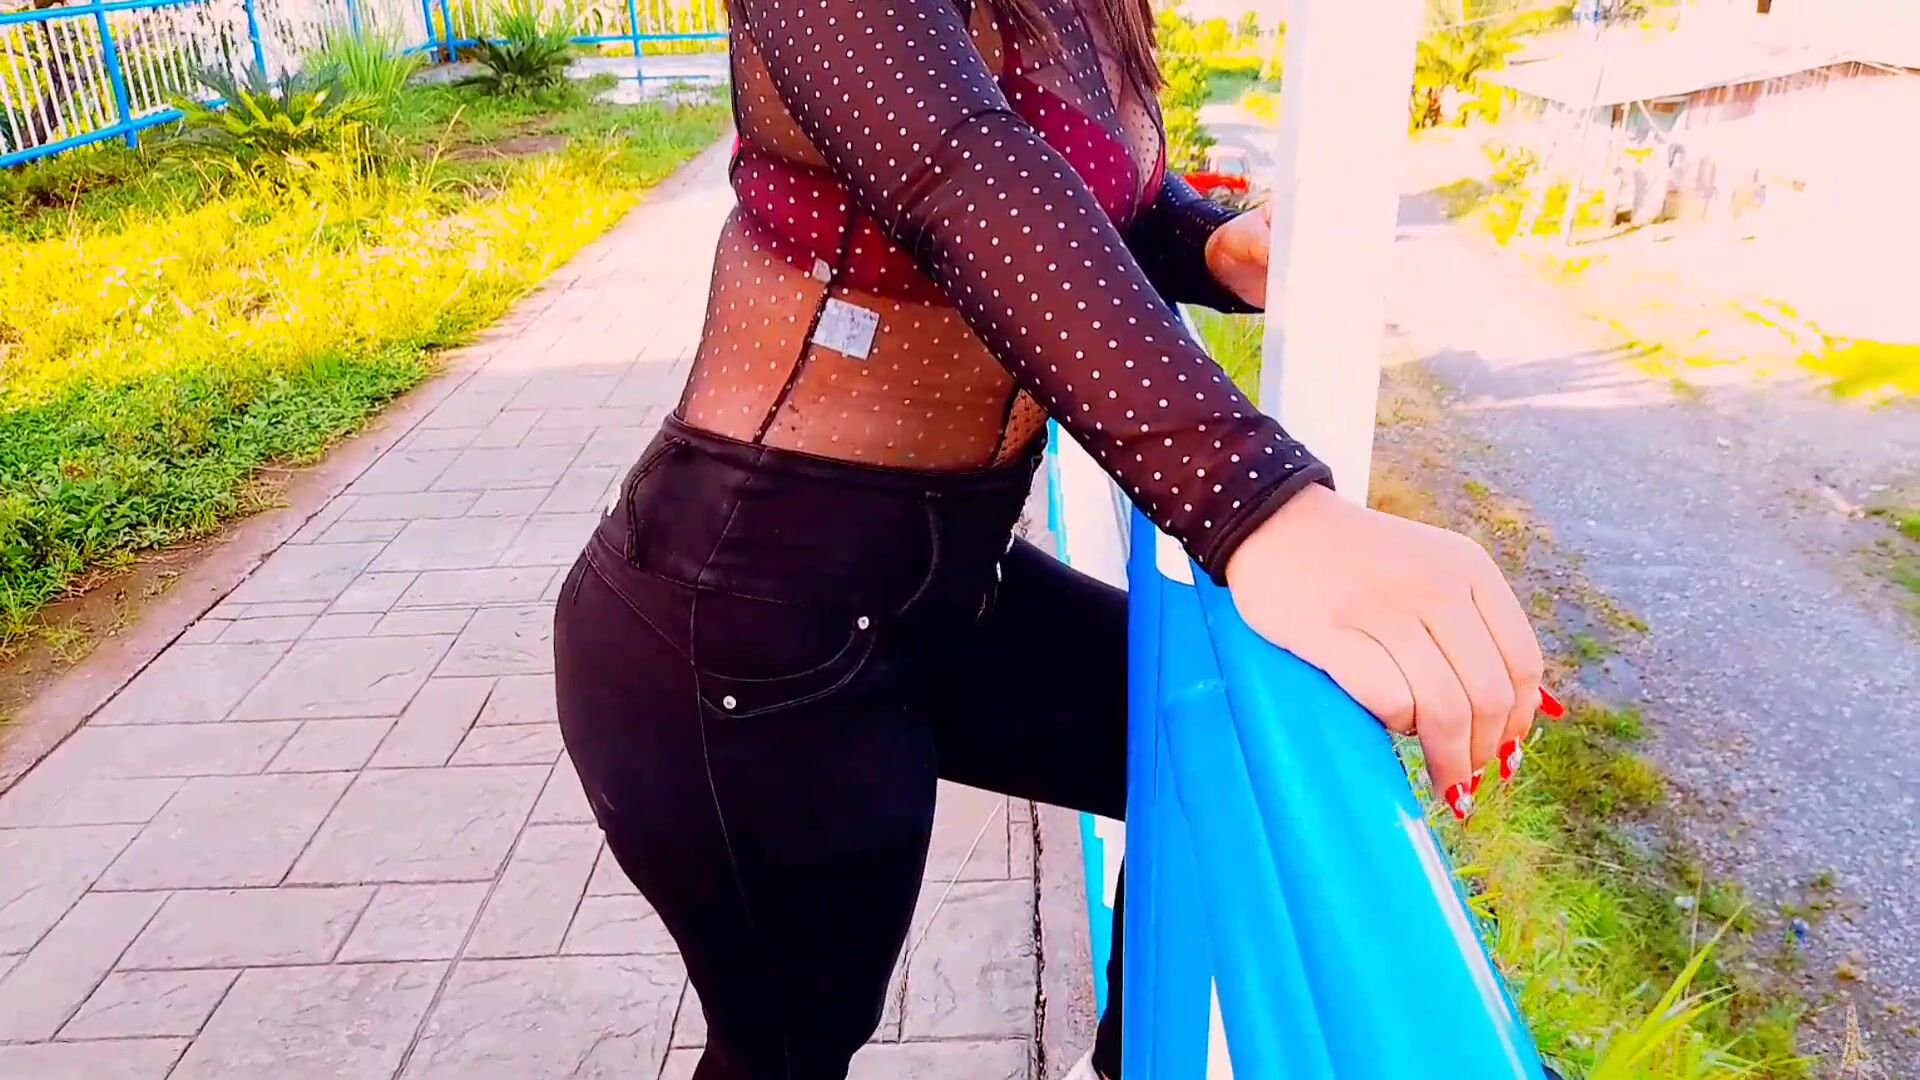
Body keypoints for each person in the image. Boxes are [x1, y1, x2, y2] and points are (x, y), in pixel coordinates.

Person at [551, 0, 1549, 1075]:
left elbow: (1073, 180)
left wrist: (1207, 246)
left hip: (949, 589)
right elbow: (961, 169)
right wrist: (1264, 506)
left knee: (1207, 749)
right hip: (745, 617)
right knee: (793, 1046)